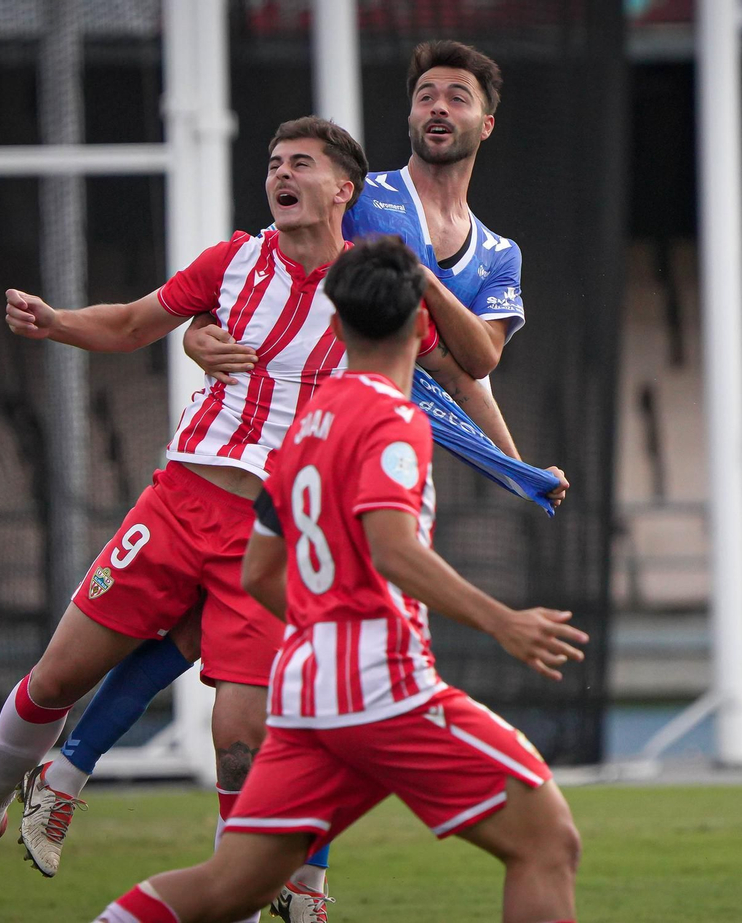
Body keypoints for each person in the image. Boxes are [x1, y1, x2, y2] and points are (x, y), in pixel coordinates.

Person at [0, 117, 518, 901]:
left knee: (241, 748)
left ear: (342, 190)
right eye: (273, 163)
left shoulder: (375, 285)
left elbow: (466, 367)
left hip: (274, 533)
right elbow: (129, 322)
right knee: (53, 678)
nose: (280, 174)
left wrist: (514, 460)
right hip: (180, 503)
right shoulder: (235, 261)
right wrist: (56, 323)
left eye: (300, 163)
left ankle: (249, 895)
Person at [60, 39, 539, 919]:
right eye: (425, 93)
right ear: (407, 117)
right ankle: (69, 772)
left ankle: (281, 872)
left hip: (339, 456)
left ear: (485, 122)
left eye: (457, 96)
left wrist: (514, 467)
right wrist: (198, 332)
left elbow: (476, 369)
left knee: (234, 799)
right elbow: (278, 262)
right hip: (334, 444)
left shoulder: (496, 254)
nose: (438, 107)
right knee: (542, 832)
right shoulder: (367, 195)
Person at [92, 236, 585, 923]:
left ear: (335, 324)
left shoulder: (304, 425)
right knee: (547, 841)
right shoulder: (395, 419)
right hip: (383, 690)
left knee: (231, 885)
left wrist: (322, 628)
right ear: (421, 326)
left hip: (305, 693)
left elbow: (259, 568)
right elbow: (390, 547)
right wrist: (501, 620)